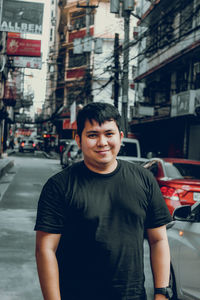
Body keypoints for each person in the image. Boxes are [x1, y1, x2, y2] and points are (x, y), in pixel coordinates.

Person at [34, 102, 172, 300]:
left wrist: (161, 293)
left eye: (109, 134)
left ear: (120, 137)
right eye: (92, 135)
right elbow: (45, 249)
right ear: (78, 140)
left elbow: (158, 240)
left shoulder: (144, 179)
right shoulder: (59, 186)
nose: (102, 142)